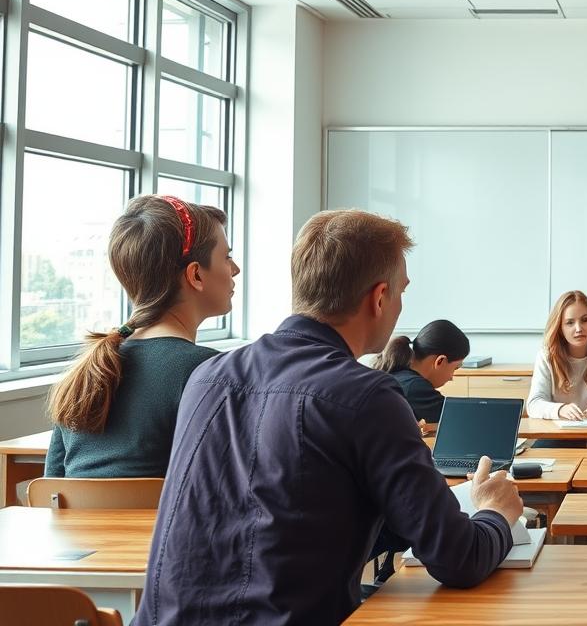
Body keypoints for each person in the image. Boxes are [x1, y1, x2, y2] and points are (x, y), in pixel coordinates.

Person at [140, 210, 523, 625]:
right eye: (400, 292)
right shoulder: (368, 397)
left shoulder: (207, 379)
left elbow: (280, 521)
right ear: (379, 299)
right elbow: (459, 560)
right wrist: (494, 511)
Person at [45, 195, 236, 480]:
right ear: (195, 275)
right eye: (227, 257)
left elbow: (52, 489)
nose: (235, 269)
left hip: (77, 527)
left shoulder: (85, 372)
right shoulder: (208, 371)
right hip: (165, 526)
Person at [525, 290, 587, 421]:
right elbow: (533, 404)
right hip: (558, 434)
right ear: (560, 328)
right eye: (569, 323)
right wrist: (561, 409)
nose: (579, 329)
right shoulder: (547, 355)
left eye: (585, 320)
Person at [371, 319, 470, 423]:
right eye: (455, 368)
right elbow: (461, 418)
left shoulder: (398, 375)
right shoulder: (414, 387)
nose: (451, 378)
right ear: (440, 361)